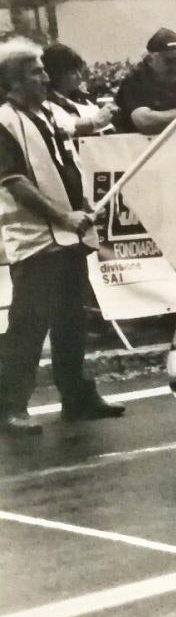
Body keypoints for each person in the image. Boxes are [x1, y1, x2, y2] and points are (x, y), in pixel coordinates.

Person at [0, 41, 124, 435]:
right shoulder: (4, 122)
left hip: (69, 234)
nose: (46, 76)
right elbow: (15, 183)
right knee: (28, 325)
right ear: (16, 80)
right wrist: (63, 217)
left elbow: (68, 160)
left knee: (72, 319)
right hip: (35, 237)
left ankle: (77, 396)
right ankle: (10, 406)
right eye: (37, 71)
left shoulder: (51, 113)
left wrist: (83, 208)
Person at [41, 43, 116, 137]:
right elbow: (64, 128)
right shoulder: (44, 104)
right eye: (72, 72)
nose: (79, 76)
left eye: (79, 71)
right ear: (56, 73)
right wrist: (95, 121)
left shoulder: (85, 100)